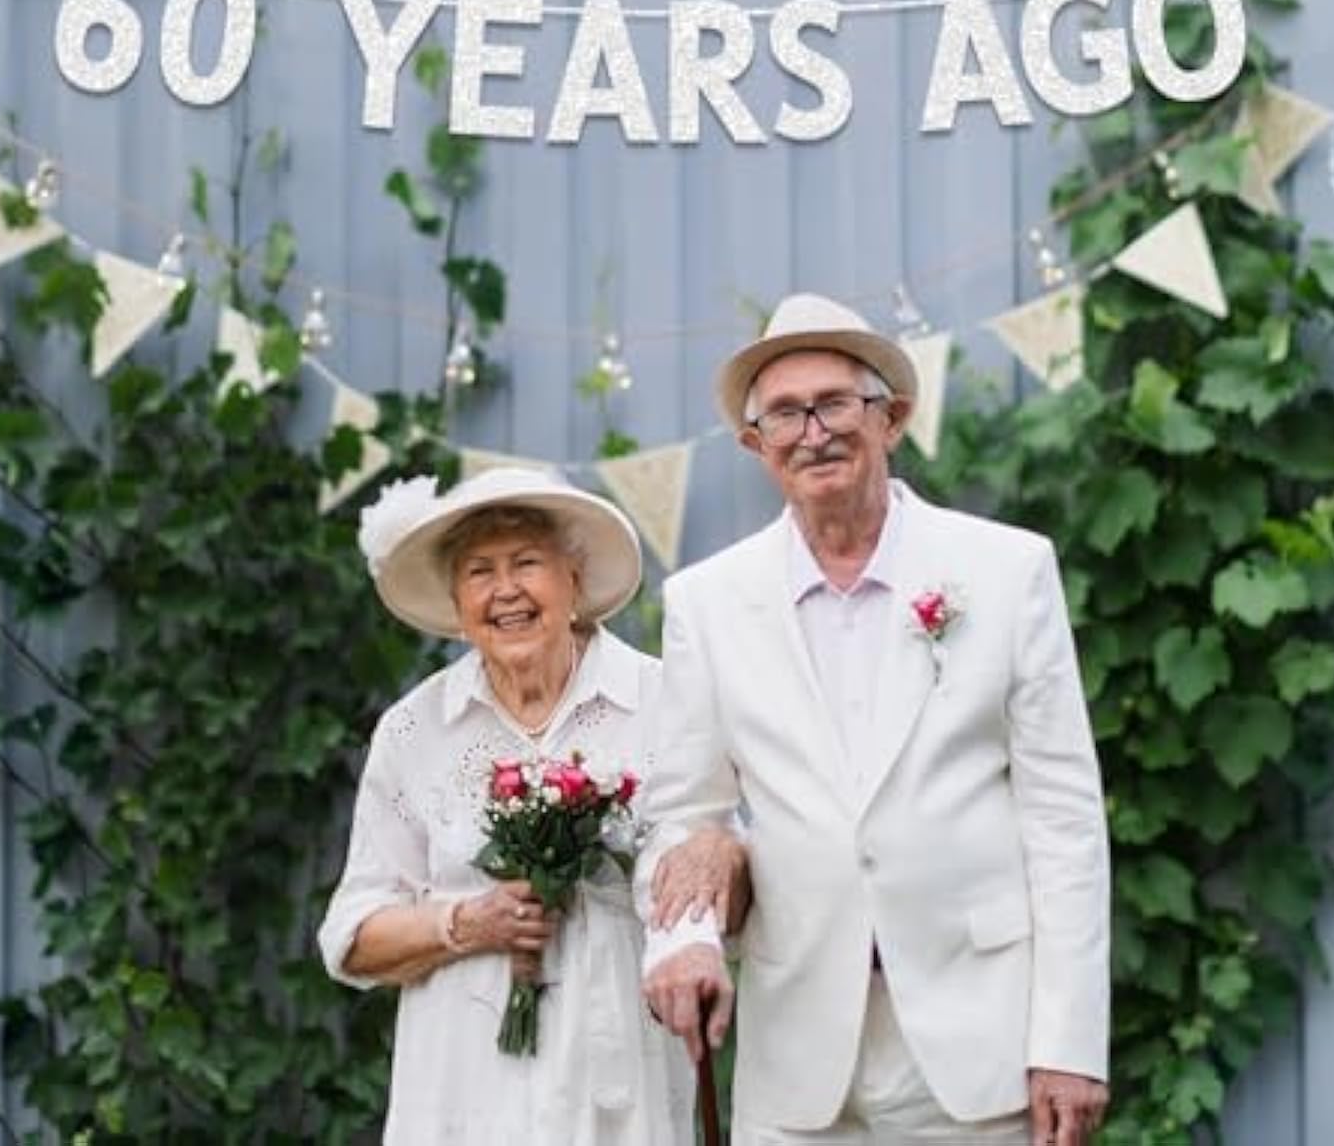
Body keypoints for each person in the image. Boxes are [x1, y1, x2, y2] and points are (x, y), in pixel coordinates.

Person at [641, 293, 1111, 1146]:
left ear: (890, 419)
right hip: (798, 1061)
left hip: (982, 1048)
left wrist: (1070, 1043)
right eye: (784, 413)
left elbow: (1064, 820)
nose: (812, 431)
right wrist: (687, 939)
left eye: (834, 404)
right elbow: (683, 814)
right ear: (756, 445)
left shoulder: (1007, 571)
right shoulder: (705, 604)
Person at [319, 465, 699, 1145]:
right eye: (478, 571)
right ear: (457, 604)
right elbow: (352, 936)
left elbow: (705, 879)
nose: (505, 591)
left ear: (574, 580)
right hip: (463, 1083)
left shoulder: (660, 701)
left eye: (527, 562)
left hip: (616, 1071)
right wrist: (467, 922)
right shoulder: (415, 729)